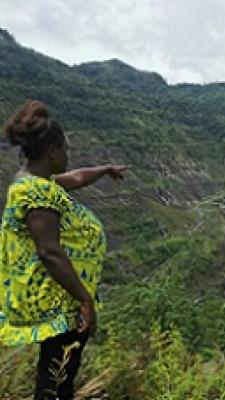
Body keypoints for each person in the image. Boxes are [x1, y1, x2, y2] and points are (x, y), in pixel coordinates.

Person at [0, 100, 128, 399]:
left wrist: (105, 169)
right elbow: (50, 252)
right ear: (53, 151)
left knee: (58, 372)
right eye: (66, 149)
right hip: (59, 299)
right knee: (57, 380)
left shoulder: (36, 181)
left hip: (61, 296)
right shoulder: (38, 193)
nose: (69, 155)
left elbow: (77, 177)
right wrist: (85, 300)